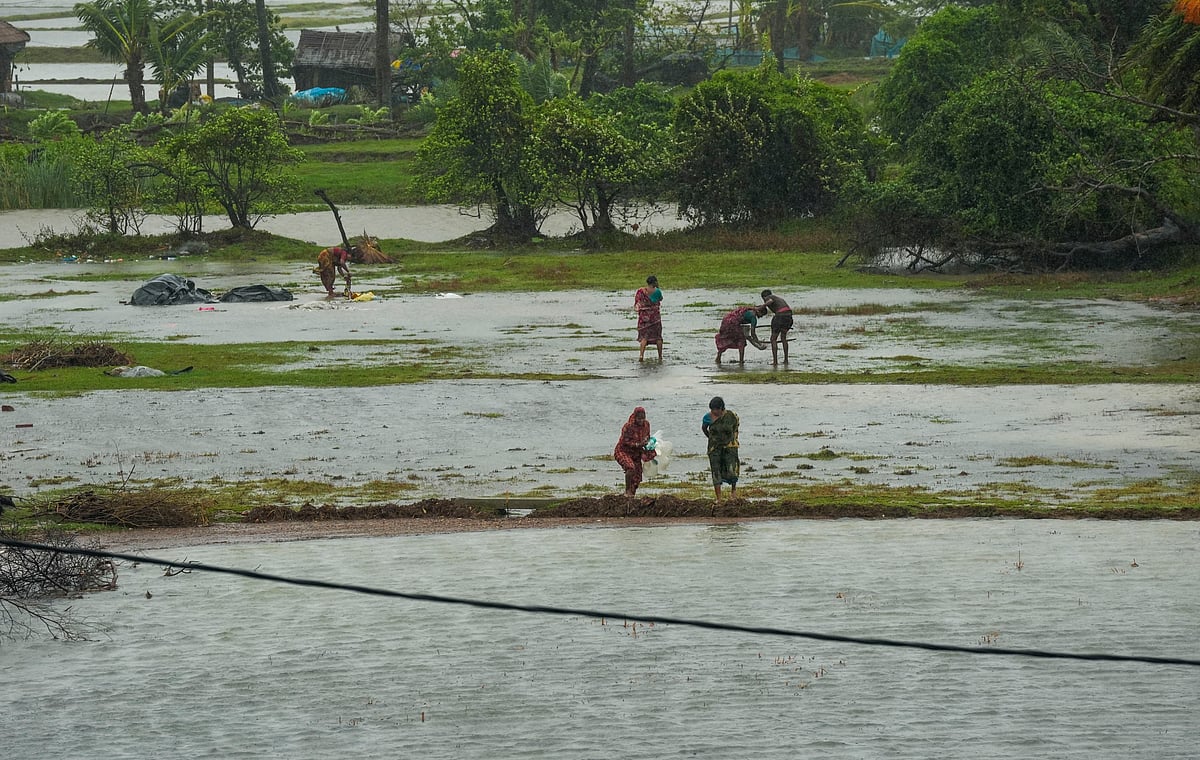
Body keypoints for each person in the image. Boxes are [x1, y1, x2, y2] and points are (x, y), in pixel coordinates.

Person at [701, 396, 739, 502]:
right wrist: (711, 438)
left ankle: (733, 492)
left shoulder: (731, 416)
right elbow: (704, 428)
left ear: (721, 408)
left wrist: (733, 441)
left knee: (731, 469)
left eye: (716, 409)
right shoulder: (707, 418)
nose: (714, 411)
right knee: (715, 471)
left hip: (729, 447)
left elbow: (736, 428)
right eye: (712, 409)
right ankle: (719, 498)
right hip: (714, 448)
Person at [614, 406, 656, 496]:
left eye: (643, 418)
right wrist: (638, 444)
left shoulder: (646, 425)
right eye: (639, 418)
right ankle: (627, 491)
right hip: (623, 451)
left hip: (636, 454)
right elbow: (625, 442)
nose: (641, 421)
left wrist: (649, 446)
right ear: (635, 417)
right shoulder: (628, 426)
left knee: (637, 478)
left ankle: (631, 496)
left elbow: (647, 437)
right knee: (630, 468)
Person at [759, 289, 794, 365]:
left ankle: (775, 362)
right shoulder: (779, 298)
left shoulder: (769, 297)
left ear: (764, 297)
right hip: (789, 316)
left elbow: (770, 301)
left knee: (773, 339)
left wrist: (762, 307)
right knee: (783, 338)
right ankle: (786, 360)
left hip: (780, 316)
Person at [634, 275, 664, 361]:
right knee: (658, 337)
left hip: (644, 319)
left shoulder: (641, 291)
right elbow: (660, 299)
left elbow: (637, 304)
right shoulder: (657, 291)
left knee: (644, 337)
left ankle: (641, 356)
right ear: (655, 282)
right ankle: (660, 356)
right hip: (655, 318)